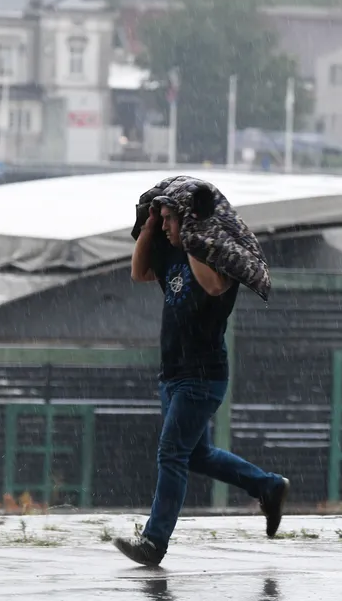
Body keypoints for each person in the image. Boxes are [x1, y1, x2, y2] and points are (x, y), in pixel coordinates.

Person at [113, 201, 290, 567]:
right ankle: (268, 486)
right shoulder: (173, 256)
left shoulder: (219, 264)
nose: (165, 228)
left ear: (190, 224)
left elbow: (211, 287)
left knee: (172, 454)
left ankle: (154, 541)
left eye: (169, 221)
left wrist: (194, 239)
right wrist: (148, 225)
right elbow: (140, 272)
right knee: (197, 454)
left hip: (201, 377)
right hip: (173, 373)